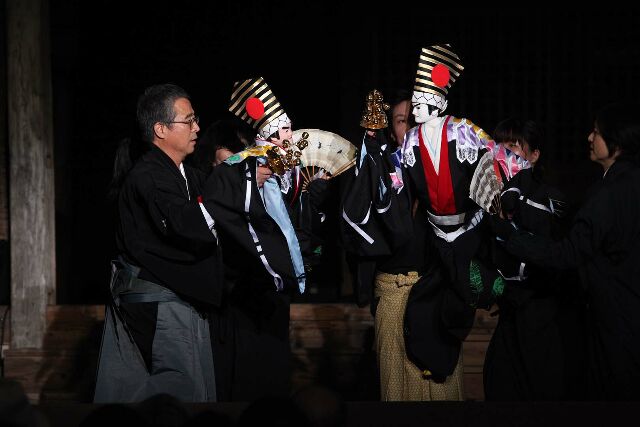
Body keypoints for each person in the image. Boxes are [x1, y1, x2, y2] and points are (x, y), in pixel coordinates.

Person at [490, 102, 640, 400]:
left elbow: (568, 254)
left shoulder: (608, 194)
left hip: (611, 318)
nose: (589, 138)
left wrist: (510, 236)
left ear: (616, 142)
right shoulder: (623, 183)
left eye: (596, 132)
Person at [94, 83, 222, 403]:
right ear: (161, 129)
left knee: (136, 394)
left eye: (196, 119)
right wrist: (231, 193)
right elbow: (182, 223)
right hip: (158, 301)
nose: (197, 127)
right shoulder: (148, 175)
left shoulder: (188, 174)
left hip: (163, 299)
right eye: (188, 120)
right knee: (176, 396)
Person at [342, 88, 464, 400]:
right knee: (397, 397)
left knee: (442, 394)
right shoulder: (378, 174)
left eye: (414, 117)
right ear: (391, 129)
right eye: (400, 120)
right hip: (393, 294)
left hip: (435, 296)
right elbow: (356, 225)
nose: (409, 124)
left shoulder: (449, 170)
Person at [201, 76, 315, 401]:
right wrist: (252, 175)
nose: (288, 136)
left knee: (274, 374)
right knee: (250, 373)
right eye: (281, 131)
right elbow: (221, 198)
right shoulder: (242, 165)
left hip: (277, 288)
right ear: (264, 136)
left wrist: (311, 196)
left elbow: (293, 228)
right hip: (248, 284)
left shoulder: (286, 173)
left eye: (290, 128)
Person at [483, 118, 586, 400]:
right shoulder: (487, 198)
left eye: (514, 146)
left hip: (543, 317)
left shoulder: (552, 199)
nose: (505, 152)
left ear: (535, 155)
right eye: (500, 146)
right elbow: (480, 261)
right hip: (508, 317)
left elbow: (555, 251)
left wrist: (516, 207)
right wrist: (495, 287)